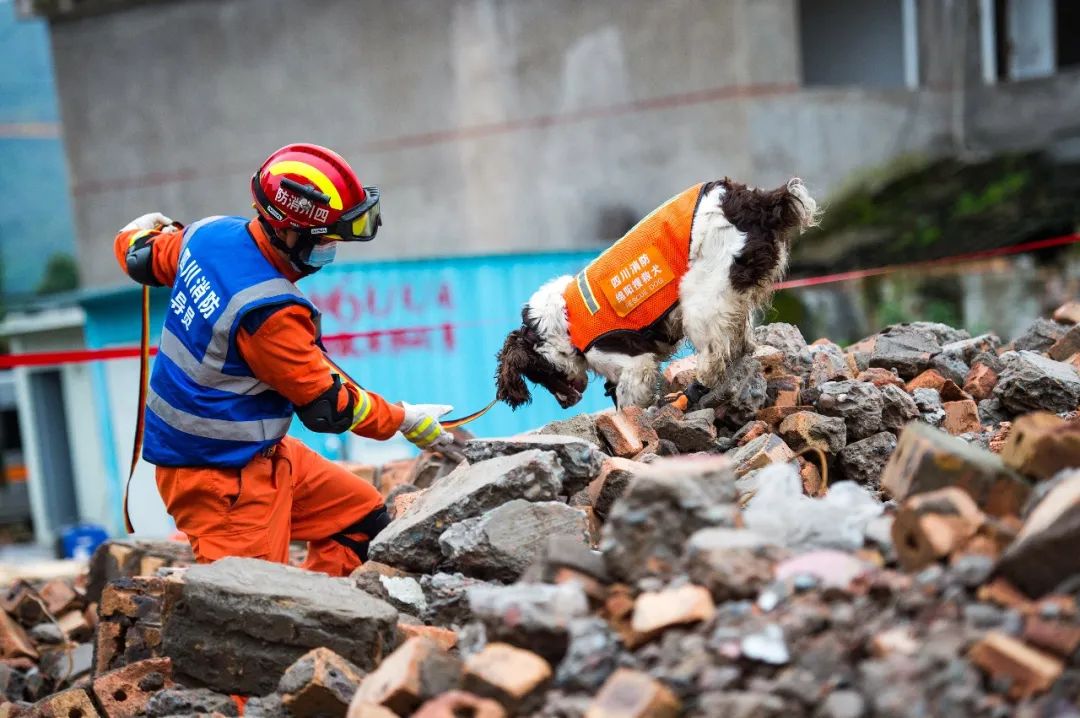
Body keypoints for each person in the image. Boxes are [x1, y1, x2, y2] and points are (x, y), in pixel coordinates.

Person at [113, 143, 458, 576]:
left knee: (358, 519)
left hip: (254, 454)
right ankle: (299, 635)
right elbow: (328, 406)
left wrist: (134, 232)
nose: (331, 247)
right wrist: (405, 419)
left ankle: (329, 617)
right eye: (327, 237)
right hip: (222, 482)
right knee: (249, 611)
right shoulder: (271, 312)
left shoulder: (207, 236)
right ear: (290, 231)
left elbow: (141, 257)